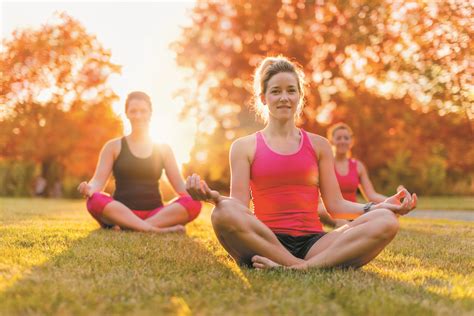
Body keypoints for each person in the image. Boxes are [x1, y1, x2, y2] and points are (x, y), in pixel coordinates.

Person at [186, 56, 416, 270]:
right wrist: (214, 199)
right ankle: (302, 264)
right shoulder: (243, 146)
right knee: (221, 213)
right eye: (276, 91)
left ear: (299, 96)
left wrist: (378, 206)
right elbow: (239, 206)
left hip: (314, 243)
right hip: (266, 239)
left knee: (386, 220)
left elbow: (336, 205)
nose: (284, 97)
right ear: (264, 98)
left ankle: (300, 268)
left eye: (291, 91)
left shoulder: (319, 145)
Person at [78, 91, 201, 233]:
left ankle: (130, 227)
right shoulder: (113, 147)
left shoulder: (163, 149)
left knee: (194, 201)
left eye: (143, 111)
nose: (138, 116)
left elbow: (180, 186)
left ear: (150, 113)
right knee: (94, 200)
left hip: (156, 213)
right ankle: (154, 229)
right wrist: (89, 189)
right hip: (120, 212)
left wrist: (196, 190)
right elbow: (97, 183)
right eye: (133, 111)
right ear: (127, 114)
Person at [318, 123, 403, 228]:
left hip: (353, 211)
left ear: (351, 141)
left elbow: (371, 195)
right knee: (321, 209)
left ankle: (351, 225)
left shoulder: (358, 166)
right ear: (331, 141)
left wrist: (393, 202)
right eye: (339, 138)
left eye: (346, 138)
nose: (343, 141)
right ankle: (347, 226)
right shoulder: (325, 163)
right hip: (330, 212)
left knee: (384, 212)